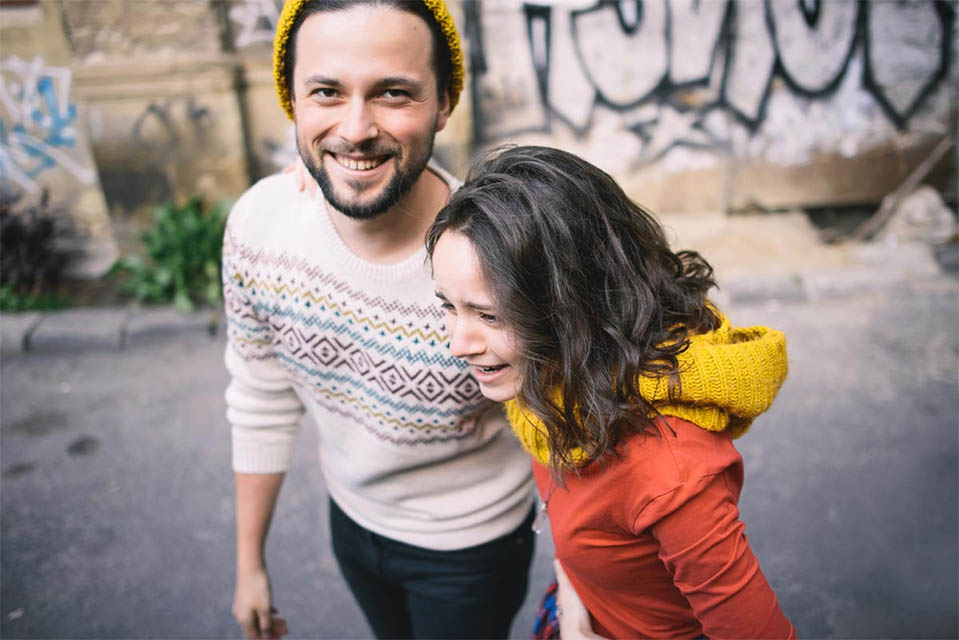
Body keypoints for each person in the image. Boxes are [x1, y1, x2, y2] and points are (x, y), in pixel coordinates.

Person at [221, 3, 535, 639]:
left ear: (444, 103)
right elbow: (260, 396)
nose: (356, 129)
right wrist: (249, 563)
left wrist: (585, 586)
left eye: (393, 92)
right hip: (353, 525)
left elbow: (570, 427)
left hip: (471, 547)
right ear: (293, 99)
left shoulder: (499, 256)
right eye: (327, 92)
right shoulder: (259, 227)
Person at [427, 145, 797, 639]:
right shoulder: (556, 379)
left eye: (490, 315)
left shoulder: (670, 471)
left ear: (573, 305)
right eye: (448, 306)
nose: (457, 344)